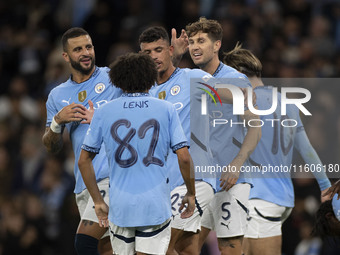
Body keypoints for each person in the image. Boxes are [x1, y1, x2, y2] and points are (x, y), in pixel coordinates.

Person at [78, 52, 196, 255]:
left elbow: (83, 161)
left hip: (120, 207)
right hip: (155, 206)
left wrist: (97, 201)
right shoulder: (166, 109)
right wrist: (191, 192)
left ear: (118, 80)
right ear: (150, 78)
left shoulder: (104, 111)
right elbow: (184, 157)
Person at [222, 43, 332, 255]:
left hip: (257, 198)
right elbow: (306, 148)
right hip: (281, 197)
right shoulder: (287, 102)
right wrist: (325, 185)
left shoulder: (242, 104)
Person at [42, 27, 122, 255]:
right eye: (78, 49)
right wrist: (58, 122)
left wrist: (103, 119)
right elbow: (51, 147)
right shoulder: (57, 95)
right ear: (66, 56)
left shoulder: (113, 78)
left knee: (84, 241)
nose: (85, 52)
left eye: (88, 47)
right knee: (107, 248)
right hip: (84, 185)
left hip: (112, 178)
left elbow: (137, 110)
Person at [186, 17, 262, 255]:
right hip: (203, 178)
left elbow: (255, 127)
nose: (195, 47)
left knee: (229, 246)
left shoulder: (234, 79)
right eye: (191, 42)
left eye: (201, 41)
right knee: (187, 245)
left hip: (230, 178)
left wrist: (237, 164)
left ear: (217, 45)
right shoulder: (190, 79)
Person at [139, 26, 216, 255]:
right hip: (162, 185)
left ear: (170, 50)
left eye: (159, 50)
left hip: (195, 180)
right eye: (146, 53)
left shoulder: (193, 78)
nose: (153, 56)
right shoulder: (144, 93)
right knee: (186, 249)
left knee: (154, 248)